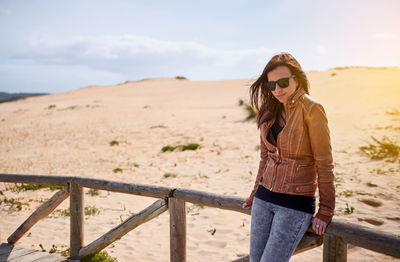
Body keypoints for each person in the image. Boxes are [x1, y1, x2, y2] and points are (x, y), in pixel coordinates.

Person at [242, 53, 335, 262]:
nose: (277, 89)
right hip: (263, 200)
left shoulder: (312, 109)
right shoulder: (268, 110)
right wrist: (255, 192)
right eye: (271, 85)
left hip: (294, 204)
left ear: (297, 78)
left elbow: (324, 163)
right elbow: (265, 158)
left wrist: (326, 209)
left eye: (283, 82)